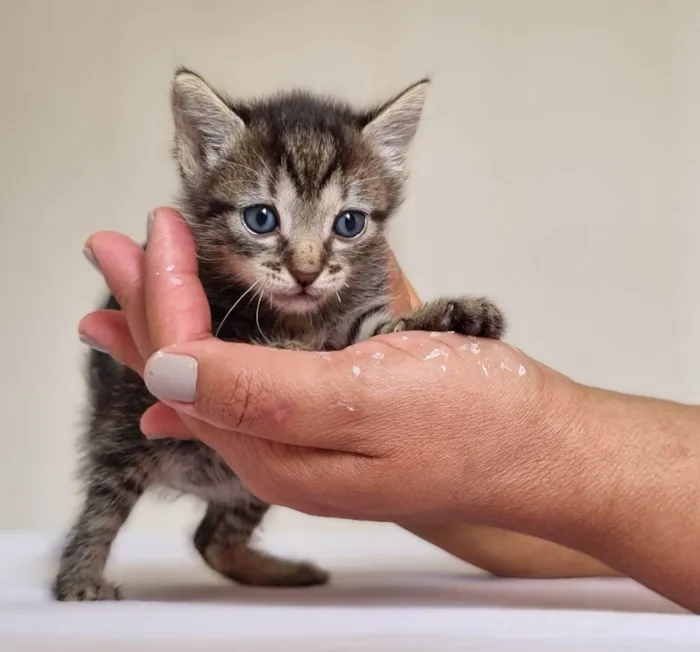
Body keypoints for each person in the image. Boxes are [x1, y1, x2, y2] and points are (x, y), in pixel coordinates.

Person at [79, 208, 700, 613]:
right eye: (265, 217)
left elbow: (369, 346)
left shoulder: (341, 288)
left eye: (344, 224)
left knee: (275, 435)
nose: (307, 262)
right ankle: (83, 566)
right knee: (135, 460)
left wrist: (416, 333)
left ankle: (227, 545)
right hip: (159, 434)